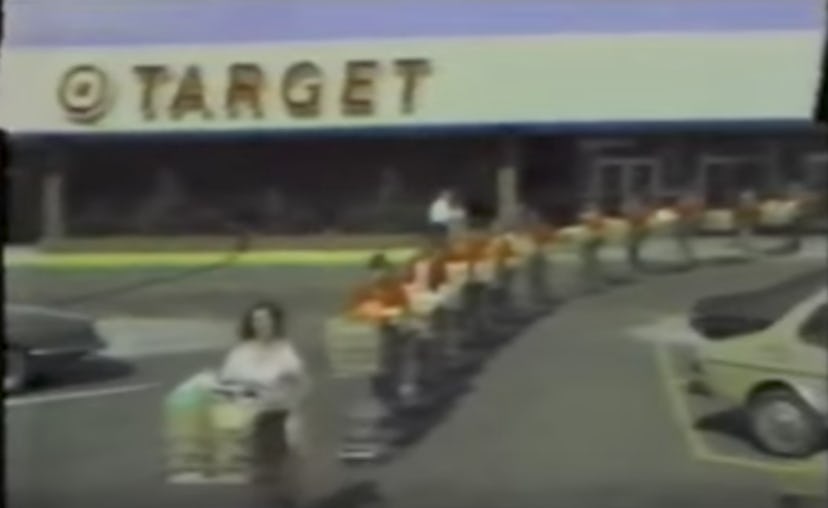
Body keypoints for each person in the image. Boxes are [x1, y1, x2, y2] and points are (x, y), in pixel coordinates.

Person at [218, 301, 311, 500]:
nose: (262, 324)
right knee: (262, 480)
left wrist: (291, 399)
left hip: (279, 419)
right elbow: (226, 386)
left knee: (284, 479)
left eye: (266, 319)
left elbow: (302, 384)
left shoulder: (285, 350)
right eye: (257, 320)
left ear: (275, 323)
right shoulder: (239, 353)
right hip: (251, 421)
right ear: (250, 324)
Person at [674, 191, 705, 266]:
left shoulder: (690, 200)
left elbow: (696, 212)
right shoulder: (688, 201)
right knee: (685, 241)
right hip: (685, 223)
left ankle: (689, 257)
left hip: (687, 223)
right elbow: (681, 212)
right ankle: (688, 256)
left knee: (686, 241)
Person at [622, 194, 652, 270]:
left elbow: (646, 213)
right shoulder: (633, 205)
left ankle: (634, 260)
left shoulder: (639, 205)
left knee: (635, 245)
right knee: (633, 245)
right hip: (634, 226)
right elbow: (626, 213)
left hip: (637, 226)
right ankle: (633, 260)